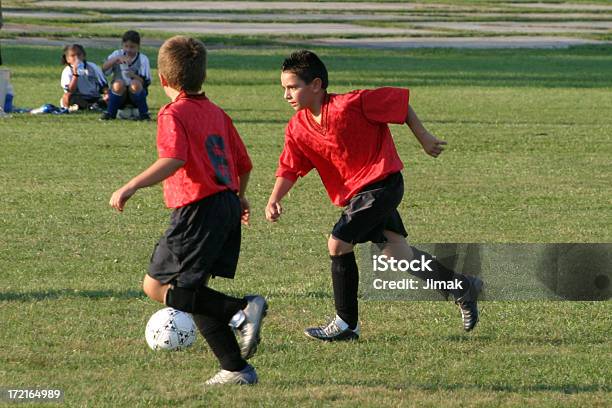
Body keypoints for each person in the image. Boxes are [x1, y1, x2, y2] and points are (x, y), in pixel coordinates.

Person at [265, 50, 483, 341]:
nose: (286, 95)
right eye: (284, 88)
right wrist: (274, 198)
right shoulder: (297, 128)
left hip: (383, 184)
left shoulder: (352, 103)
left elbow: (400, 107)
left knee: (338, 243)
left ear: (316, 85)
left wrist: (424, 137)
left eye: (292, 87)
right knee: (397, 254)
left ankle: (346, 324)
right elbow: (290, 167)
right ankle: (461, 286)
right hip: (360, 196)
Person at [109, 36, 267, 385]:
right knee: (192, 291)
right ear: (202, 76)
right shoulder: (217, 113)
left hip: (198, 208)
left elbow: (174, 158)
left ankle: (241, 311)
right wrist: (238, 196)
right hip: (223, 203)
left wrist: (131, 185)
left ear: (163, 80)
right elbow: (244, 163)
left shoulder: (173, 113)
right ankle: (235, 369)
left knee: (155, 285)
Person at [101, 30, 151, 120]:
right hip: (120, 94)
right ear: (122, 45)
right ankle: (110, 113)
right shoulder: (117, 54)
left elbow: (145, 82)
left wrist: (132, 75)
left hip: (135, 95)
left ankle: (144, 114)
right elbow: (104, 69)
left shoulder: (143, 59)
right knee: (118, 83)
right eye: (126, 46)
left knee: (134, 84)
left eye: (132, 47)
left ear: (138, 47)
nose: (128, 50)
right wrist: (115, 59)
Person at [60, 44, 107, 110]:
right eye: (73, 56)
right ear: (68, 59)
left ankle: (92, 106)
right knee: (67, 97)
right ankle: (89, 107)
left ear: (84, 56)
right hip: (78, 97)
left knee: (110, 97)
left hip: (94, 97)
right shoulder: (67, 71)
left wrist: (107, 94)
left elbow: (103, 85)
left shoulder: (93, 67)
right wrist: (75, 75)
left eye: (79, 55)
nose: (77, 58)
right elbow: (70, 90)